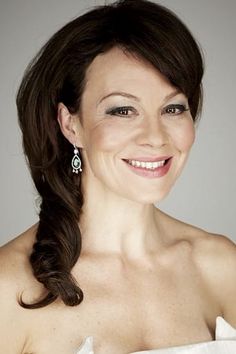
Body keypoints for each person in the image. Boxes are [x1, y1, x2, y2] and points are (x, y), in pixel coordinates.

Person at [0, 0, 235, 353]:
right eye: (123, 110)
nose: (156, 137)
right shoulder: (8, 288)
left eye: (173, 108)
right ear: (70, 125)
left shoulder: (222, 266)